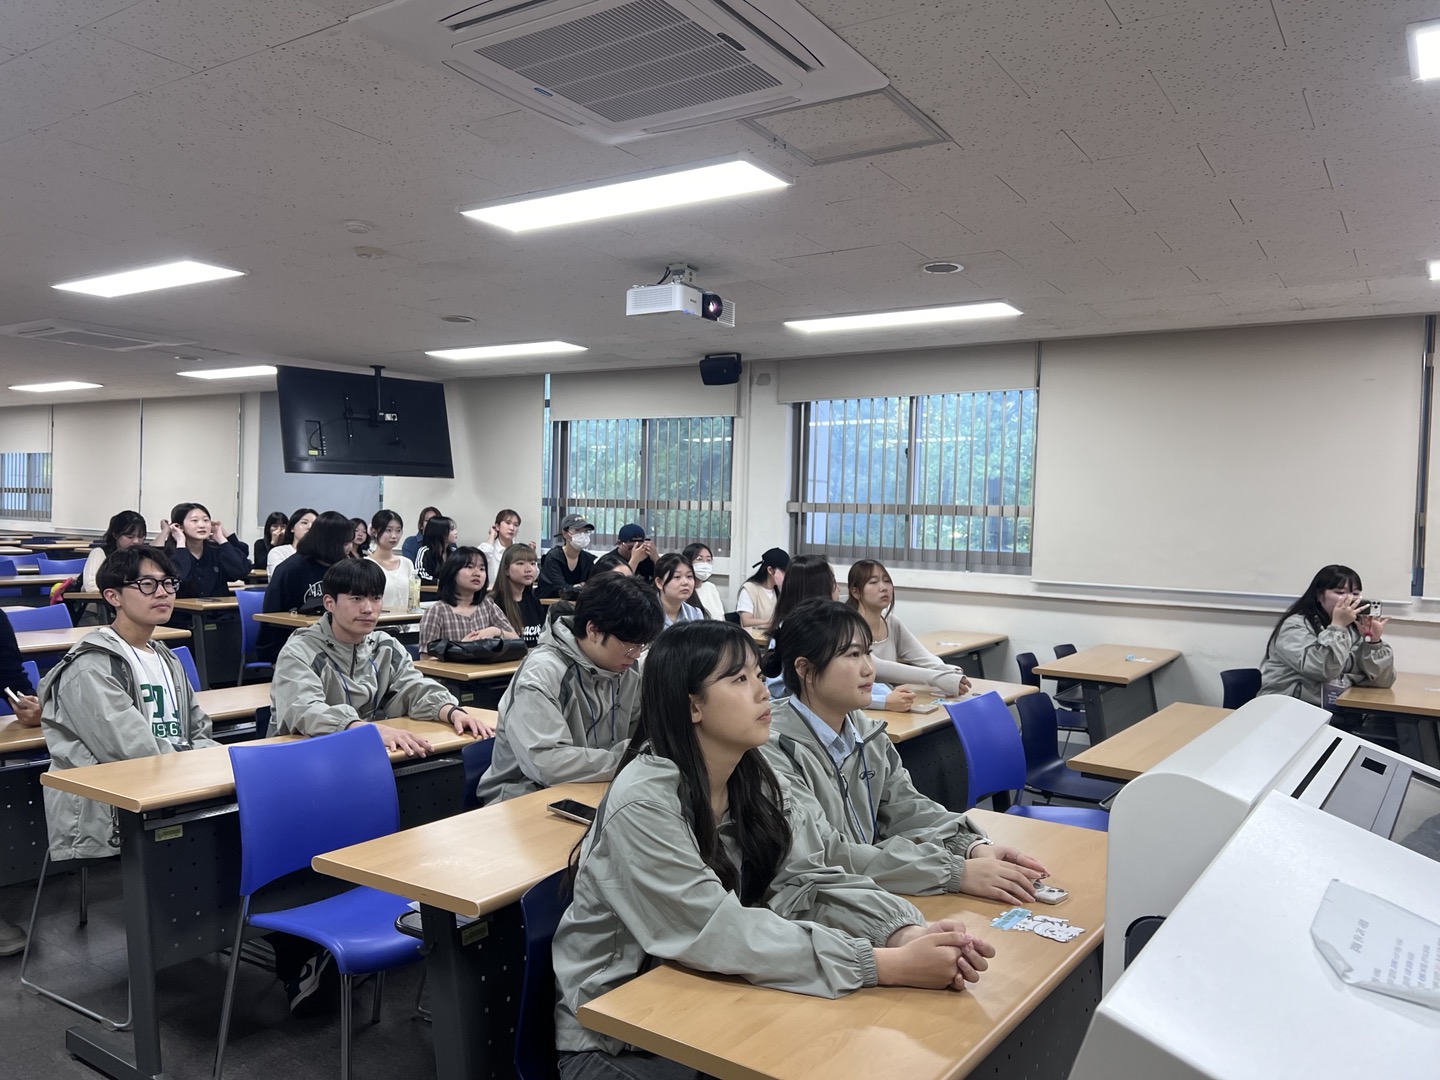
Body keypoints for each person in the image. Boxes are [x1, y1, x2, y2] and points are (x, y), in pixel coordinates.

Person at [553, 620, 995, 1077]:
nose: (764, 692)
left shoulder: (753, 776)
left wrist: (899, 932)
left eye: (758, 675)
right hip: (618, 1038)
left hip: (710, 1000)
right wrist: (879, 965)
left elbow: (808, 879)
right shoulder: (644, 802)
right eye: (738, 679)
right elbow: (715, 929)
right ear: (693, 706)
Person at [761, 599, 1047, 903]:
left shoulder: (866, 731)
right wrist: (953, 872)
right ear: (805, 669)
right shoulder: (774, 750)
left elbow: (906, 808)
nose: (869, 668)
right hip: (813, 905)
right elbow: (828, 853)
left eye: (868, 653)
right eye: (853, 655)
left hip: (867, 893)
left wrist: (971, 846)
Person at [38, 546, 218, 865]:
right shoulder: (90, 666)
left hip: (171, 785)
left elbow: (199, 727)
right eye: (147, 584)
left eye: (168, 583)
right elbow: (131, 751)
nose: (162, 593)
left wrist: (212, 761)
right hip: (114, 808)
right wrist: (199, 762)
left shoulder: (167, 657)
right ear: (113, 596)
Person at [268, 559, 494, 751]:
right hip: (303, 757)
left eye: (376, 598)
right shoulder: (300, 651)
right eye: (356, 598)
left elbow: (413, 687)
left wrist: (452, 712)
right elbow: (305, 710)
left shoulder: (385, 646)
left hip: (361, 752)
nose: (368, 608)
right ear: (330, 603)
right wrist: (370, 730)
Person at [477, 573, 662, 804]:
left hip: (597, 786)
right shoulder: (542, 675)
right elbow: (548, 764)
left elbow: (640, 734)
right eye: (630, 644)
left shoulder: (627, 669)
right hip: (525, 795)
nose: (635, 654)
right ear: (593, 630)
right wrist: (629, 759)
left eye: (642, 645)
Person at [766, 556, 909, 712]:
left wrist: (887, 693)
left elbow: (847, 680)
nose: (839, 589)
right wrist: (883, 701)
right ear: (818, 587)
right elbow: (789, 693)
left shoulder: (831, 627)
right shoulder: (795, 633)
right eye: (833, 582)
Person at [1258, 564, 1395, 707]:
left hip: (1336, 707)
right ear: (1319, 595)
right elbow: (1323, 670)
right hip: (1289, 707)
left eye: (1355, 593)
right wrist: (1337, 627)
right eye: (1340, 592)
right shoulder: (1295, 626)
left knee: (1387, 719)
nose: (1350, 599)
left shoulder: (1354, 628)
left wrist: (1373, 642)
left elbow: (1384, 681)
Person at [846, 559, 972, 700]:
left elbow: (922, 657)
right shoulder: (850, 627)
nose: (883, 588)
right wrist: (937, 678)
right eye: (873, 582)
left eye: (887, 581)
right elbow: (877, 667)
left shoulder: (892, 622)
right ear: (855, 592)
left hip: (894, 699)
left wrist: (949, 671)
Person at [257, 510, 352, 664]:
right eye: (345, 543)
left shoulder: (343, 568)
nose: (349, 548)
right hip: (289, 645)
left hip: (333, 642)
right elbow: (273, 617)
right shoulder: (290, 569)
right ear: (331, 543)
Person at [417, 547, 518, 658]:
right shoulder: (437, 612)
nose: (477, 573)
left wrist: (495, 631)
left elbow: (515, 639)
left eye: (482, 569)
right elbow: (425, 659)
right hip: (452, 669)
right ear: (452, 572)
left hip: (483, 668)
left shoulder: (487, 605)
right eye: (469, 567)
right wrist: (459, 649)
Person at [160, 502, 250, 600]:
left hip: (219, 608)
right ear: (179, 527)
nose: (202, 525)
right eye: (194, 521)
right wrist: (181, 543)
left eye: (206, 520)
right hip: (183, 609)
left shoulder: (217, 550)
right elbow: (178, 580)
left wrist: (221, 539)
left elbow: (241, 571)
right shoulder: (168, 554)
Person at [492, 544, 546, 647]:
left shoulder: (534, 601)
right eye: (520, 563)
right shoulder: (493, 603)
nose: (528, 569)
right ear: (506, 570)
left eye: (532, 563)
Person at [82, 509, 147, 592]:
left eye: (141, 537)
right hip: (102, 598)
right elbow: (91, 586)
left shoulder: (144, 557)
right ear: (115, 535)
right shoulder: (100, 553)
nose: (136, 541)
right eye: (130, 537)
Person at [366, 509, 417, 612]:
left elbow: (413, 598)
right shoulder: (367, 565)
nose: (394, 536)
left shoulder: (407, 563)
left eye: (398, 530)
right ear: (374, 532)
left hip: (406, 619)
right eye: (388, 530)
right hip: (379, 620)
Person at [537, 513, 597, 600]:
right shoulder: (553, 557)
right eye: (577, 530)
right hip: (550, 604)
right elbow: (562, 590)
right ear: (565, 533)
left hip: (577, 604)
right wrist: (580, 586)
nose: (582, 535)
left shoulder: (588, 559)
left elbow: (593, 588)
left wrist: (576, 588)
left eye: (586, 531)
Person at [737, 547, 788, 629]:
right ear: (770, 570)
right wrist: (773, 622)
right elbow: (746, 621)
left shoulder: (778, 590)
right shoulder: (749, 589)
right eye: (784, 572)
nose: (787, 576)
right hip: (754, 636)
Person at [654, 552, 706, 627]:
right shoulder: (644, 613)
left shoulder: (695, 614)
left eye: (689, 576)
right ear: (659, 583)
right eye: (677, 577)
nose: (685, 582)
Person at [265, 507, 317, 574]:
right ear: (292, 528)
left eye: (315, 524)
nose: (310, 527)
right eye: (304, 523)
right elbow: (280, 577)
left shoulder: (320, 555)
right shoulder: (278, 552)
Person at [683, 542, 725, 621]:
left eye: (708, 560)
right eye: (699, 559)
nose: (705, 564)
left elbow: (721, 617)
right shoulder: (683, 589)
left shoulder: (711, 587)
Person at [479, 508, 523, 583]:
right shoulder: (489, 547)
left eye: (516, 525)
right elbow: (480, 559)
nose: (512, 528)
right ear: (497, 526)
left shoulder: (520, 549)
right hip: (491, 589)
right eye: (508, 523)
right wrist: (492, 536)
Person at [415, 514, 458, 584]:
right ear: (440, 532)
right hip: (431, 590)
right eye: (452, 529)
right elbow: (420, 575)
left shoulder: (454, 552)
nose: (456, 532)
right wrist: (440, 582)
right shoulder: (424, 551)